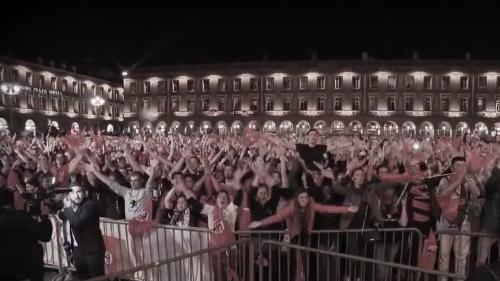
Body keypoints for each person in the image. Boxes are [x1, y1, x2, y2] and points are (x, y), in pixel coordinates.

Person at [0, 188, 52, 281]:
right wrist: (44, 216)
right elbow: (44, 235)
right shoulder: (20, 218)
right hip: (26, 269)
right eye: (18, 196)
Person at [58, 183, 105, 280]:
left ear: (84, 193)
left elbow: (77, 222)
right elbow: (61, 215)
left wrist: (68, 208)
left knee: (97, 279)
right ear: (69, 195)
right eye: (73, 192)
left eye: (79, 192)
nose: (76, 195)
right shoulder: (72, 207)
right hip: (79, 252)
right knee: (82, 278)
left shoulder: (90, 205)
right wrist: (64, 206)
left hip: (93, 251)